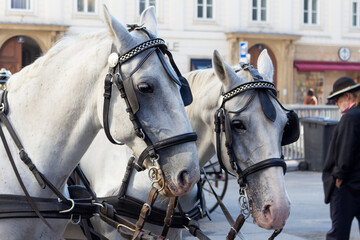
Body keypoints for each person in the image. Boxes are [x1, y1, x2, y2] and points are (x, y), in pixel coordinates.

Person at [322, 76, 360, 240]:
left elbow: (345, 150)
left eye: (337, 100)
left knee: (338, 233)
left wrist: (338, 176)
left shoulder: (350, 118)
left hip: (347, 187)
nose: (337, 104)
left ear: (347, 97)